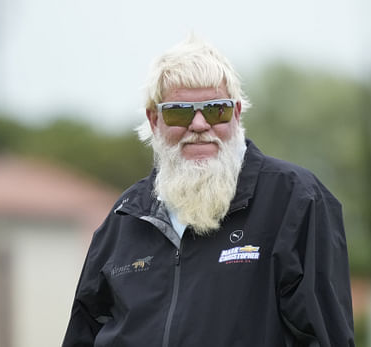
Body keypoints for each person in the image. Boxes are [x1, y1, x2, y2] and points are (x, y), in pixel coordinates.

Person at [62, 35, 355, 347]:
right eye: (179, 112)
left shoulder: (295, 199)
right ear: (154, 119)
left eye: (216, 110)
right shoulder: (125, 217)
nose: (199, 124)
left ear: (237, 114)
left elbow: (325, 337)